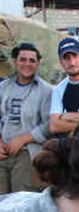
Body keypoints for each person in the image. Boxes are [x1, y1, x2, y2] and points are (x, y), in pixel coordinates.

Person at [0, 42, 52, 193]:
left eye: (32, 60)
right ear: (15, 61)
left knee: (20, 203)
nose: (27, 64)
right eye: (23, 59)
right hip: (3, 154)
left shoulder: (46, 91)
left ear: (38, 63)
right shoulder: (3, 88)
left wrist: (23, 139)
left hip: (27, 155)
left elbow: (49, 125)